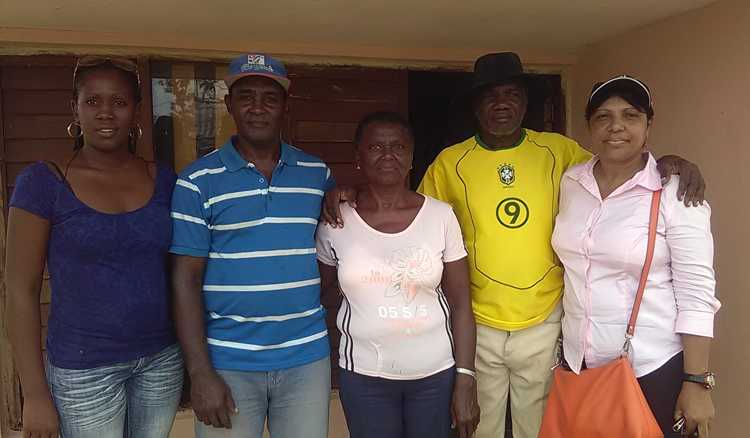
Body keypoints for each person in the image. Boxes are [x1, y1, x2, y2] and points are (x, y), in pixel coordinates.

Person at [324, 52, 706, 438]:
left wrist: (667, 163)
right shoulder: (450, 162)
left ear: (526, 102)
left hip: (545, 321)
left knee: (538, 428)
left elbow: (618, 167)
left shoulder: (560, 152)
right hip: (479, 320)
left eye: (511, 93)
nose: (501, 104)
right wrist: (354, 194)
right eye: (489, 95)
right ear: (475, 106)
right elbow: (412, 216)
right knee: (479, 426)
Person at [6, 56, 183, 438]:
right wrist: (35, 393)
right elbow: (21, 290)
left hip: (161, 360)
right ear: (75, 108)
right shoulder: (44, 182)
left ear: (136, 112)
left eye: (119, 102)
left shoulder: (164, 180)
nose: (106, 113)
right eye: (93, 101)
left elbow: (185, 268)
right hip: (82, 370)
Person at [169, 53, 333, 438]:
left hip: (305, 358)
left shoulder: (316, 174)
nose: (258, 108)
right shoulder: (197, 181)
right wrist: (200, 373)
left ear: (285, 107)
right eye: (246, 97)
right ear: (229, 104)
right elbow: (185, 281)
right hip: (228, 361)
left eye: (269, 98)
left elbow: (332, 242)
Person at [551, 75, 720, 437]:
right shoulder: (572, 183)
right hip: (580, 367)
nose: (617, 127)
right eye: (603, 116)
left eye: (630, 115)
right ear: (589, 126)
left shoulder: (675, 193)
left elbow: (697, 294)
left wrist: (697, 381)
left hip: (651, 369)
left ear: (648, 126)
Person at [316, 111, 480, 438]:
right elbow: (317, 292)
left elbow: (461, 304)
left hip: (435, 375)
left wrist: (465, 377)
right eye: (376, 147)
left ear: (411, 157)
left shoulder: (440, 216)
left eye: (398, 147)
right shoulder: (336, 221)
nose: (388, 154)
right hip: (364, 376)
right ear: (358, 157)